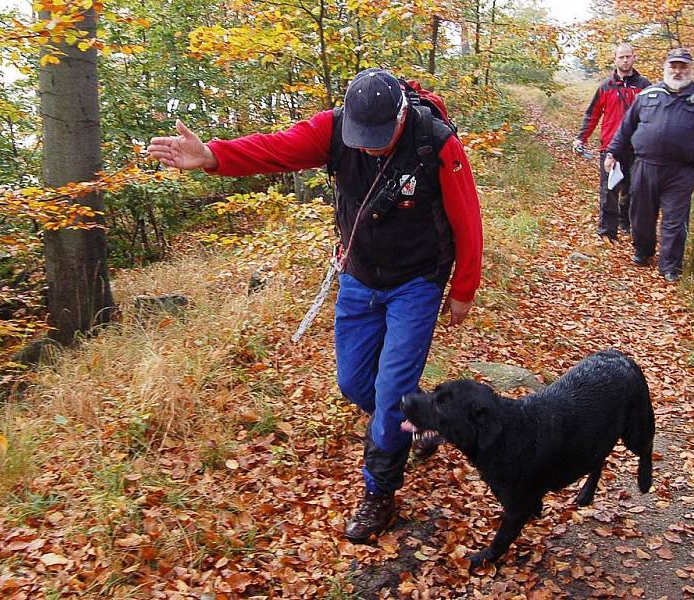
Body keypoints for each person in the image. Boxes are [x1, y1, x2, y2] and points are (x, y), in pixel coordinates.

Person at [148, 68, 483, 542]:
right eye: (362, 138)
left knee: (389, 395)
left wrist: (464, 289)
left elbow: (467, 217)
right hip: (359, 277)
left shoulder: (436, 142)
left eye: (379, 138)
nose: (369, 147)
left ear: (401, 115)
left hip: (417, 283)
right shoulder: (333, 130)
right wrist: (210, 156)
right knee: (352, 383)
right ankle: (419, 418)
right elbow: (274, 148)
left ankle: (379, 494)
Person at [605, 48, 694, 282]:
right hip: (644, 166)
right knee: (641, 215)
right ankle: (643, 252)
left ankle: (670, 266)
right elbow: (626, 127)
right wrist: (612, 152)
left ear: (691, 70)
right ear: (666, 68)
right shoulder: (648, 95)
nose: (678, 71)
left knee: (674, 220)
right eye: (673, 66)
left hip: (680, 172)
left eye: (683, 66)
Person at [574, 43, 651, 241]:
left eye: (628, 57)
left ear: (634, 58)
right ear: (615, 59)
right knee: (609, 191)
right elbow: (592, 115)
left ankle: (628, 225)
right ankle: (607, 232)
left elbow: (654, 115)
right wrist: (581, 138)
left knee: (635, 190)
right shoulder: (605, 87)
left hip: (638, 148)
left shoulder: (645, 86)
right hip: (610, 148)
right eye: (621, 57)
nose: (625, 60)